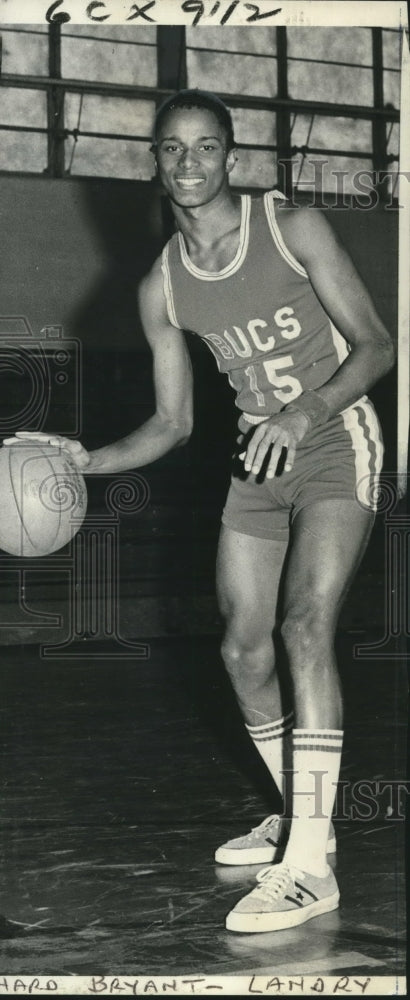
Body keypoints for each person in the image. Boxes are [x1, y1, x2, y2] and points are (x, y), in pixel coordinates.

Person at [6, 89, 395, 934]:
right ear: (156, 160)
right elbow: (175, 424)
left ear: (231, 156)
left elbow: (378, 345)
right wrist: (87, 460)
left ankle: (308, 865)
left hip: (333, 437)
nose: (189, 163)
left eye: (206, 147)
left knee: (303, 625)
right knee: (240, 648)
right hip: (257, 458)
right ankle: (300, 815)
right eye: (173, 149)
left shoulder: (289, 228)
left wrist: (306, 413)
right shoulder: (163, 287)